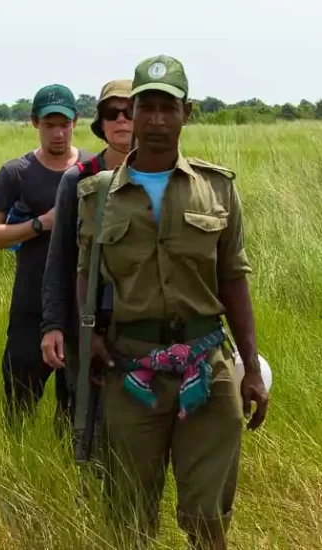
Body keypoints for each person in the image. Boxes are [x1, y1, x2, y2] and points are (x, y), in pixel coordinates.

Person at [75, 55, 269, 549]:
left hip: (209, 370)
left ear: (187, 113)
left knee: (207, 519)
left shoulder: (216, 187)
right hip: (131, 374)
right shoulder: (97, 194)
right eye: (146, 107)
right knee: (128, 517)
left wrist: (249, 365)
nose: (157, 120)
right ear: (131, 115)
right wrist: (91, 336)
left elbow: (233, 279)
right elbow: (86, 275)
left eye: (168, 107)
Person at [0, 84, 93, 428]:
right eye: (49, 125)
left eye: (65, 124)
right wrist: (42, 224)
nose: (58, 133)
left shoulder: (92, 168)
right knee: (19, 402)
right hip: (31, 302)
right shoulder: (17, 172)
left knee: (75, 407)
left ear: (76, 122)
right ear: (34, 122)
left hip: (80, 304)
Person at [40, 79, 133, 426]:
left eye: (130, 111)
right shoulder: (78, 179)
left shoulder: (165, 178)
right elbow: (59, 259)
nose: (122, 120)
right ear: (101, 123)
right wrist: (53, 326)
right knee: (89, 420)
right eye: (112, 113)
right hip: (91, 320)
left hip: (145, 325)